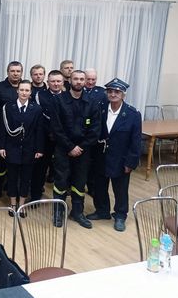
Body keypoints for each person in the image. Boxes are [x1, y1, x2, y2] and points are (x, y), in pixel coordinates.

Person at [86, 78, 142, 232]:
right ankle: (102, 211)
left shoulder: (132, 114)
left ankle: (120, 215)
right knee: (99, 186)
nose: (113, 94)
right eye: (110, 91)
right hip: (101, 156)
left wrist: (130, 162)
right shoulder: (101, 109)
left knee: (120, 189)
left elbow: (136, 141)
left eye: (117, 92)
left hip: (120, 159)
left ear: (123, 94)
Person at [50, 70, 100, 229]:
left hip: (83, 151)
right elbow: (56, 128)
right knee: (61, 181)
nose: (78, 82)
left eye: (81, 79)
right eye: (76, 79)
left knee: (80, 182)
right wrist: (70, 147)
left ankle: (77, 212)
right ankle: (58, 212)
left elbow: (95, 130)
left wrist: (81, 147)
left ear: (85, 82)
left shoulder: (92, 102)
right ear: (69, 81)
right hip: (63, 149)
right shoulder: (58, 100)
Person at [0, 80, 44, 213]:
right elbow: (2, 128)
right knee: (12, 178)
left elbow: (39, 130)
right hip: (11, 147)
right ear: (17, 91)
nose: (24, 93)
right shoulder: (8, 107)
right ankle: (13, 204)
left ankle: (22, 205)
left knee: (26, 178)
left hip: (29, 149)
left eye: (27, 90)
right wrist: (1, 146)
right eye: (22, 90)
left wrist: (39, 149)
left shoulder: (36, 109)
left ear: (31, 92)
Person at [0, 61, 23, 202]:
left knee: (16, 162)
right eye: (12, 71)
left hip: (20, 134)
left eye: (18, 71)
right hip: (0, 132)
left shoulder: (26, 88)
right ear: (7, 72)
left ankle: (12, 187)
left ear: (21, 72)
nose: (15, 73)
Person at [30, 70, 64, 201]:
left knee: (61, 170)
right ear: (48, 82)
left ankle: (60, 201)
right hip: (43, 138)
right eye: (53, 81)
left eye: (58, 81)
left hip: (62, 140)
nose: (56, 84)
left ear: (63, 82)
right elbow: (38, 118)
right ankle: (35, 197)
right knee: (39, 170)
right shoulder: (39, 95)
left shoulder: (67, 97)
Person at [83, 68, 108, 197]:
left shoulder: (102, 93)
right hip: (81, 133)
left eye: (93, 79)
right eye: (88, 79)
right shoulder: (77, 90)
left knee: (93, 163)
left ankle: (91, 186)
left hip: (96, 133)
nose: (91, 82)